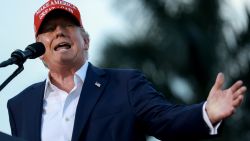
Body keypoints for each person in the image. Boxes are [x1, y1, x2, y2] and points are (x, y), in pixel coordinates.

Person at [7, 0, 247, 141]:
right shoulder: (20, 104)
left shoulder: (125, 84)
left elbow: (166, 121)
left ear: (86, 41)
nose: (59, 31)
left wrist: (207, 113)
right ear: (39, 50)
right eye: (49, 29)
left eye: (68, 25)